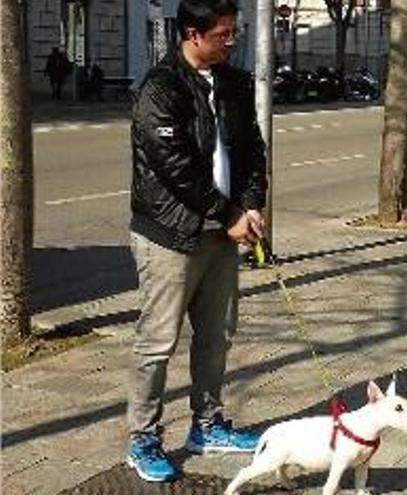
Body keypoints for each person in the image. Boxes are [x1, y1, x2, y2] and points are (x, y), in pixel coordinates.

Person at [127, 0, 267, 483]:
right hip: (171, 233)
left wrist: (250, 205)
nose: (232, 41)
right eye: (223, 34)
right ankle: (142, 437)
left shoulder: (234, 83)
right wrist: (227, 212)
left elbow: (251, 147)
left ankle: (208, 425)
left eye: (235, 32)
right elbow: (175, 167)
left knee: (217, 335)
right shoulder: (159, 88)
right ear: (192, 33)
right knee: (157, 341)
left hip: (223, 231)